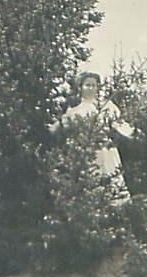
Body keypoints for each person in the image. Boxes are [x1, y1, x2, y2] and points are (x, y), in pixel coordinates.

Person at [50, 72, 133, 204]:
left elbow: (119, 124)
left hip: (106, 151)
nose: (91, 88)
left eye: (93, 85)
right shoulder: (74, 110)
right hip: (85, 151)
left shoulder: (107, 106)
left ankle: (117, 211)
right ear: (80, 87)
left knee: (111, 179)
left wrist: (133, 133)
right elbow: (61, 126)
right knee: (89, 181)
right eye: (87, 85)